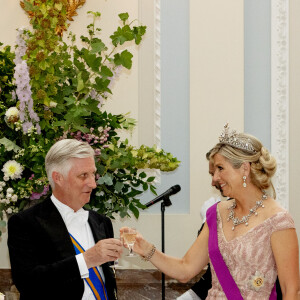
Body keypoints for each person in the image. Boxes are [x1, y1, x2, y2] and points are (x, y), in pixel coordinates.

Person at [123, 123, 300, 299]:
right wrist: (146, 249)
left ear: (244, 168)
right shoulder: (216, 213)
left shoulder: (278, 220)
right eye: (213, 171)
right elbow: (185, 269)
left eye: (220, 168)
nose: (214, 179)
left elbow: (291, 291)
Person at [7, 139, 123, 300]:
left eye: (93, 174)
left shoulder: (101, 221)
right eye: (83, 175)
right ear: (58, 178)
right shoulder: (26, 223)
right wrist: (87, 260)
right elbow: (28, 282)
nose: (93, 184)